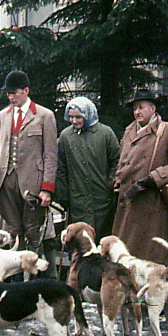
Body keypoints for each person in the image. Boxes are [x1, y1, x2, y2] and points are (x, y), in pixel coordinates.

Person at [112, 89, 168, 264]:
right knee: (124, 261)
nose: (136, 112)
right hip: (127, 203)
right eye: (134, 108)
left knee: (149, 260)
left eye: (141, 107)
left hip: (151, 206)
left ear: (153, 108)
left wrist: (154, 178)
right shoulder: (129, 131)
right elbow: (123, 160)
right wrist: (118, 180)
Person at [0, 70, 57, 253]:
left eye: (14, 93)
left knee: (33, 232)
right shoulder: (3, 115)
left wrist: (47, 188)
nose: (10, 97)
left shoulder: (44, 115)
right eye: (8, 93)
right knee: (13, 231)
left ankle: (36, 276)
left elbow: (50, 155)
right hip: (6, 182)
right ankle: (15, 277)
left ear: (26, 91)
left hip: (33, 184)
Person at [56, 97, 120, 241]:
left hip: (103, 200)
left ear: (88, 114)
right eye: (71, 117)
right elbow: (61, 168)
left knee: (103, 241)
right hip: (77, 201)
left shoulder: (106, 133)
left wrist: (109, 183)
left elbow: (117, 160)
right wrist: (64, 195)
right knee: (81, 243)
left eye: (78, 117)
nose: (74, 121)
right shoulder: (66, 136)